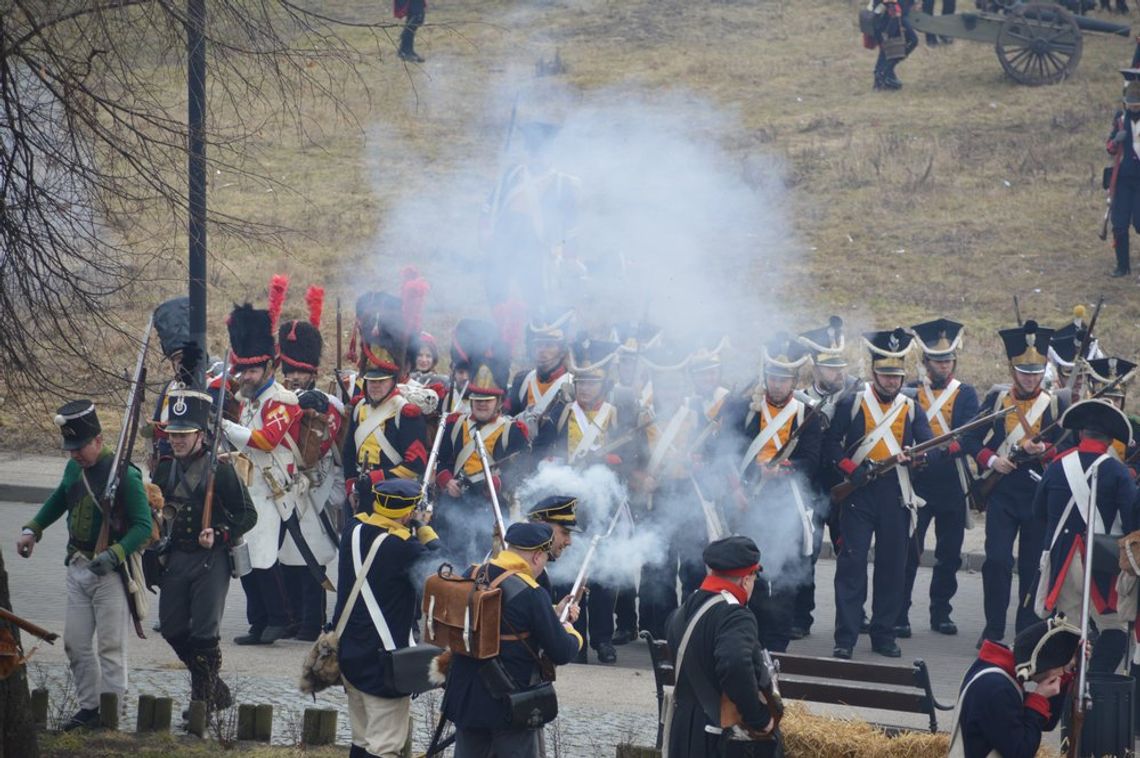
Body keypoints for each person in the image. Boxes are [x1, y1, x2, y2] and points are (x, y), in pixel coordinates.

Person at [16, 401, 153, 730]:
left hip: (112, 574)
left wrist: (116, 553)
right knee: (75, 644)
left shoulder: (125, 474)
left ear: (98, 440)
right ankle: (89, 707)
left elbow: (143, 526)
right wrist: (33, 528)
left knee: (110, 647)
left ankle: (111, 715)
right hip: (77, 566)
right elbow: (61, 498)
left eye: (79, 447)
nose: (75, 454)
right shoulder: (73, 468)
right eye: (71, 448)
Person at [825, 328, 936, 660]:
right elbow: (831, 445)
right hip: (859, 492)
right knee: (852, 565)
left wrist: (918, 458)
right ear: (874, 373)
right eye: (886, 375)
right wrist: (851, 469)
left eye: (896, 376)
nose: (891, 381)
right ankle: (845, 637)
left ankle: (884, 634)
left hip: (896, 494)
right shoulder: (853, 402)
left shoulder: (911, 407)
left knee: (892, 567)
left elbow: (929, 447)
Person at [151, 388, 257, 712]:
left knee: (204, 634)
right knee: (172, 627)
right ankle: (216, 688)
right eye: (173, 434)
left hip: (212, 560)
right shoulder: (165, 468)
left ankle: (202, 702)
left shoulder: (220, 469)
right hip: (176, 556)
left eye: (183, 434)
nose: (177, 440)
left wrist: (221, 533)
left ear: (200, 434)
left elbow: (248, 515)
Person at [963, 320, 1067, 647]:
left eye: (1036, 372)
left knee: (1032, 567)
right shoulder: (998, 400)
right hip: (1003, 492)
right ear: (1012, 370)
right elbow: (969, 438)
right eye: (1024, 372)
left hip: (1038, 495)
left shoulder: (1054, 404)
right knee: (996, 560)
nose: (1030, 378)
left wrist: (1044, 450)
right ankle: (993, 629)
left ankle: (1025, 632)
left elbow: (1065, 447)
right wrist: (993, 461)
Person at [442, 522, 583, 758]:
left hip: (467, 699)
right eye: (545, 559)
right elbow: (561, 651)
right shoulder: (532, 593)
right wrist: (571, 632)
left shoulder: (472, 573)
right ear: (537, 556)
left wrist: (552, 613)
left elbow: (505, 615)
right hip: (509, 705)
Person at [534, 335, 629, 663]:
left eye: (591, 383)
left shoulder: (615, 415)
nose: (585, 389)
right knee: (570, 570)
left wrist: (615, 463)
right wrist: (552, 463)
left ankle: (603, 639)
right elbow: (541, 450)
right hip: (568, 502)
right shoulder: (562, 413)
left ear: (603, 385)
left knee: (601, 574)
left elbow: (635, 456)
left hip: (603, 501)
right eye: (581, 383)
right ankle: (575, 636)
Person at [332, 479, 439, 758]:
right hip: (384, 662)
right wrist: (427, 534)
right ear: (408, 513)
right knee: (384, 747)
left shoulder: (353, 529)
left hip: (349, 651)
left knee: (361, 741)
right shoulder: (405, 547)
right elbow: (444, 573)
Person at [730, 333, 821, 652]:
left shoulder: (807, 412)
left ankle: (778, 643)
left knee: (784, 573)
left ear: (794, 381)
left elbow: (812, 459)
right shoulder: (748, 409)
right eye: (772, 377)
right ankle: (751, 634)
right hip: (752, 498)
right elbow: (731, 453)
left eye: (783, 379)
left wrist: (784, 468)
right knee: (749, 570)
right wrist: (746, 482)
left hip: (786, 501)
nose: (777, 384)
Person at [1033, 399, 1138, 675]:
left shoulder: (1057, 465)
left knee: (1069, 630)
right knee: (1114, 629)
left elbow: (1038, 512)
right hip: (1101, 562)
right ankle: (1095, 683)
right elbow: (1132, 521)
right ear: (1111, 439)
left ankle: (1067, 687)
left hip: (1064, 562)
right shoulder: (1118, 472)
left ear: (1081, 433)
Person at [220, 298, 302, 646]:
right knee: (246, 556)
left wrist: (225, 426)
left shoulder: (281, 400)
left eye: (252, 371)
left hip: (272, 490)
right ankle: (258, 621)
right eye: (243, 371)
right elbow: (246, 446)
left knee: (264, 558)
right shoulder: (250, 399)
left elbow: (267, 441)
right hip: (248, 487)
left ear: (269, 367)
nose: (246, 376)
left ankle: (279, 619)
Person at [664, 535, 781, 758]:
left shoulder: (685, 608)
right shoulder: (735, 615)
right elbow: (735, 665)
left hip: (683, 729)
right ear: (746, 579)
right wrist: (758, 717)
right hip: (715, 735)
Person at [897, 318, 978, 638]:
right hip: (916, 482)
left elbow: (969, 436)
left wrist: (941, 452)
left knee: (949, 554)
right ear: (926, 361)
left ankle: (941, 612)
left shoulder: (965, 394)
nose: (944, 366)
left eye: (948, 360)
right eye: (938, 361)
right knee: (908, 552)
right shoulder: (910, 392)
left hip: (951, 482)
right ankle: (899, 613)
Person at [277, 287, 344, 641]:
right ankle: (289, 617)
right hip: (282, 485)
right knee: (285, 553)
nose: (293, 377)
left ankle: (311, 621)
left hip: (315, 486)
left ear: (312, 373)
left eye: (299, 372)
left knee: (311, 555)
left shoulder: (329, 403)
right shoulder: (276, 400)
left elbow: (329, 444)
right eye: (289, 370)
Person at [434, 318, 529, 562]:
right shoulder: (455, 424)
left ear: (499, 401)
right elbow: (441, 461)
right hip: (454, 508)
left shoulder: (513, 431)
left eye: (487, 400)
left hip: (492, 511)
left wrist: (498, 483)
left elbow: (521, 472)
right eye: (477, 400)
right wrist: (446, 481)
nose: (481, 404)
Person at [795, 317, 861, 631]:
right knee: (805, 552)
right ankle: (801, 616)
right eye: (831, 368)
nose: (839, 373)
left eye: (841, 367)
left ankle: (853, 615)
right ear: (816, 368)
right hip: (809, 486)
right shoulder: (799, 400)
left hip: (845, 485)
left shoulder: (855, 398)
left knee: (850, 553)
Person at [342, 290, 429, 512]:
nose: (375, 385)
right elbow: (349, 451)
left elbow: (415, 464)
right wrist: (351, 485)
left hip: (393, 498)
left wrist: (374, 478)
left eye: (381, 381)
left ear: (393, 380)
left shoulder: (406, 412)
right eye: (371, 380)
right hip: (359, 495)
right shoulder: (359, 408)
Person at [947, 616, 1078, 758]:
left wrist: (1067, 671)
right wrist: (1038, 699)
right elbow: (1021, 752)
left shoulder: (998, 674)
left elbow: (1047, 723)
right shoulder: (997, 688)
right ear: (1043, 661)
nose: (1061, 673)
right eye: (1061, 666)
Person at [1106, 69, 1140, 278]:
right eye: (1131, 103)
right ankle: (1122, 266)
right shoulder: (1120, 119)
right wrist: (1116, 140)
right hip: (1123, 179)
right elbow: (1109, 148)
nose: (1134, 106)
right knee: (1119, 224)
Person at [871, 0, 918, 91]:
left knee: (888, 47)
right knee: (889, 46)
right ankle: (883, 75)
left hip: (896, 12)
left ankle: (884, 74)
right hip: (890, 13)